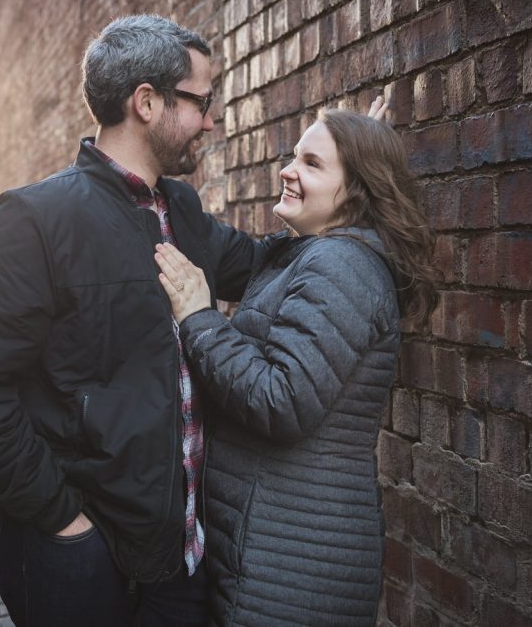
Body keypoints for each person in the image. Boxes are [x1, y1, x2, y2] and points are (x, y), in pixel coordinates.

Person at [0, 15, 269, 626]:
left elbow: (262, 264)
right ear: (147, 102)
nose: (212, 121)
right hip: (78, 560)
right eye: (202, 102)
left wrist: (352, 183)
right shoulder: (38, 218)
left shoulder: (182, 210)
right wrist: (63, 520)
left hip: (179, 559)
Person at [154, 108, 440, 625]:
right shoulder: (309, 254)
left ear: (355, 192)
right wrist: (354, 136)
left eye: (311, 163)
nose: (288, 169)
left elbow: (282, 400)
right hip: (272, 547)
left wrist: (199, 316)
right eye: (293, 156)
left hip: (293, 564)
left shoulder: (341, 264)